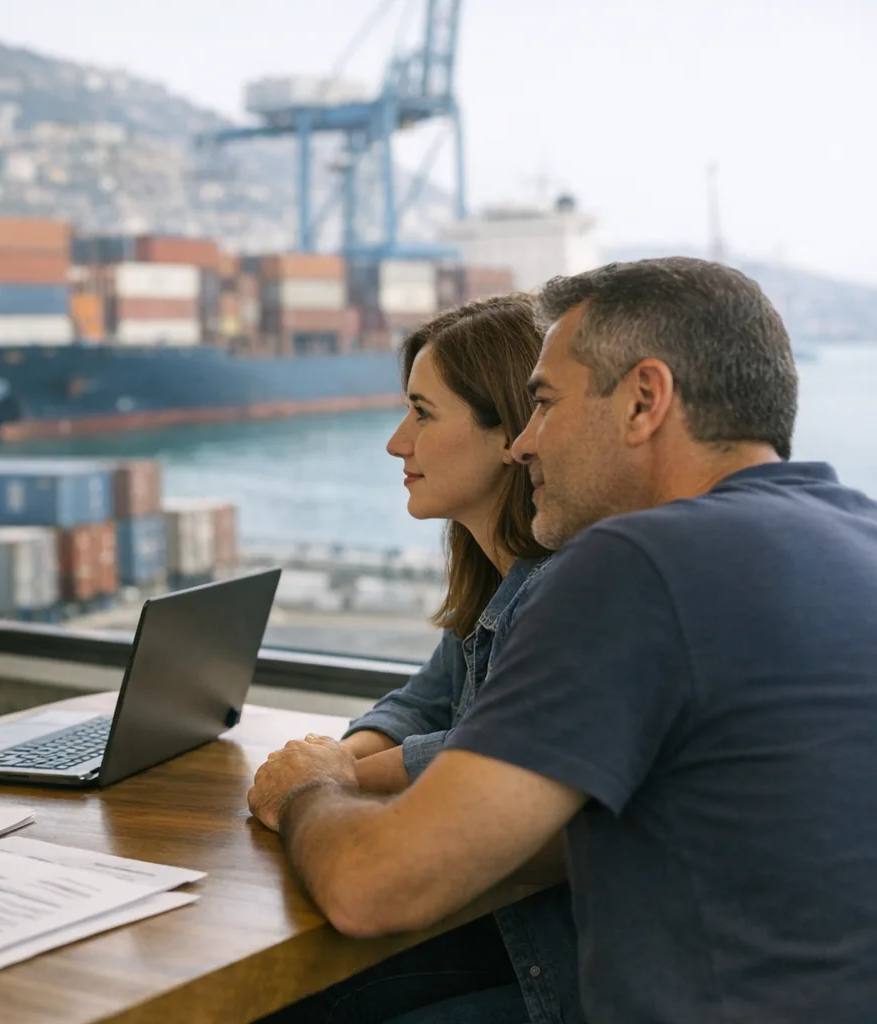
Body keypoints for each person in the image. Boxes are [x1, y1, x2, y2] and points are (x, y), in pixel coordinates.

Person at [249, 257, 877, 1022]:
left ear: (644, 400)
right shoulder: (855, 534)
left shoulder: (639, 563)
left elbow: (374, 886)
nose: (524, 443)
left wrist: (311, 787)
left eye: (543, 403)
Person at [263, 296, 580, 1024]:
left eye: (423, 414)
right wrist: (337, 760)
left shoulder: (566, 588)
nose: (396, 443)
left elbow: (480, 759)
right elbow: (421, 705)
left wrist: (322, 779)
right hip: (508, 934)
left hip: (559, 972)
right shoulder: (494, 575)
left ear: (509, 431)